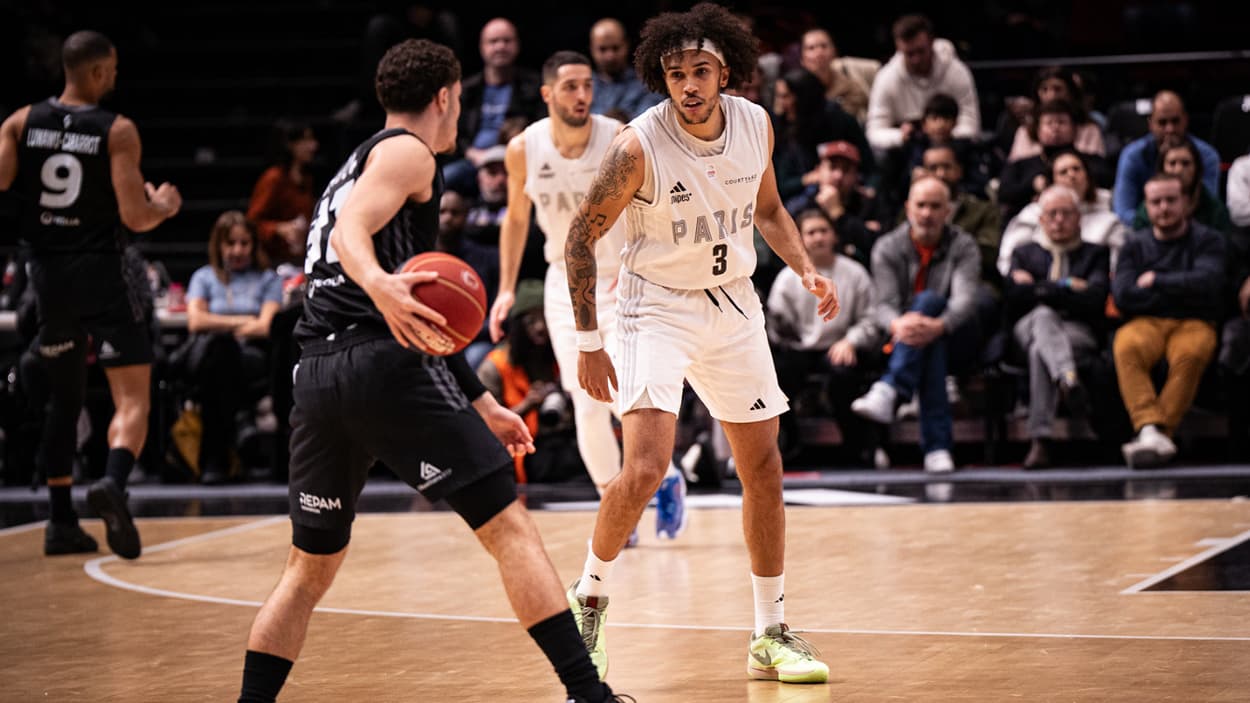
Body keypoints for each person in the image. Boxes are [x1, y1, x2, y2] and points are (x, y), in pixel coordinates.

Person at [237, 39, 627, 703]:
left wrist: (480, 402)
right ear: (444, 97)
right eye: (460, 102)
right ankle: (588, 694)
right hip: (377, 363)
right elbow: (347, 236)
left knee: (309, 569)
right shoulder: (408, 151)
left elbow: (419, 311)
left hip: (318, 374)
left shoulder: (355, 163)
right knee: (509, 526)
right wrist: (382, 287)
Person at [562, 3, 837, 684]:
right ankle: (587, 601)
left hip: (735, 305)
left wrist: (803, 266)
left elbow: (769, 209)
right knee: (646, 467)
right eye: (677, 73)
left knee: (764, 466)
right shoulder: (638, 146)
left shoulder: (755, 124)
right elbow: (579, 239)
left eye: (701, 71)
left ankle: (769, 631)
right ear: (663, 76)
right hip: (654, 308)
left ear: (726, 73)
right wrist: (590, 339)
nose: (688, 85)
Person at [487, 50, 687, 538]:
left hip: (620, 275)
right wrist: (506, 289)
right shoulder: (523, 149)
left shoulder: (617, 138)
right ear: (547, 94)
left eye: (587, 86)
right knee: (584, 398)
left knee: (623, 390)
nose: (581, 95)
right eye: (571, 86)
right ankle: (617, 509)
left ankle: (666, 475)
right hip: (563, 279)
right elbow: (515, 220)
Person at [0, 30, 182, 558]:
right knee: (132, 397)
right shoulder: (116, 130)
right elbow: (134, 216)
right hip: (103, 273)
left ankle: (60, 522)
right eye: (115, 70)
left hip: (47, 280)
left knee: (64, 397)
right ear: (99, 72)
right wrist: (165, 205)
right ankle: (114, 481)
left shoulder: (18, 121)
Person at [850, 176, 981, 474]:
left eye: (936, 206)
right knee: (927, 341)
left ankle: (891, 388)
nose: (927, 213)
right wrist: (900, 324)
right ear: (908, 208)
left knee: (931, 301)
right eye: (921, 205)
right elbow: (882, 305)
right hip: (904, 337)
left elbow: (964, 301)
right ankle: (937, 448)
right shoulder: (887, 246)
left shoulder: (964, 245)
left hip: (956, 334)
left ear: (948, 210)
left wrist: (937, 325)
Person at [1112, 174, 1224, 468]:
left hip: (1194, 322)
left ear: (1186, 202)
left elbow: (1210, 284)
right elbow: (1124, 295)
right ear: (1146, 207)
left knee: (1190, 354)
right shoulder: (1134, 245)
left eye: (1171, 200)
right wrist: (1180, 290)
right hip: (1146, 322)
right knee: (1126, 346)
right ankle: (1152, 429)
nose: (1164, 207)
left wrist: (1157, 281)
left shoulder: (1208, 240)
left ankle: (1154, 434)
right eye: (1156, 201)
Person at [1004, 186, 1109, 468]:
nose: (1059, 220)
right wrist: (1066, 287)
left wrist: (1039, 288)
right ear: (1041, 220)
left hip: (1077, 331)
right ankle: (1068, 379)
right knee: (1042, 317)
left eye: (1066, 213)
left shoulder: (1095, 254)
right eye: (1052, 214)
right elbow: (1014, 298)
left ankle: (1040, 440)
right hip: (1026, 329)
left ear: (1079, 218)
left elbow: (1094, 299)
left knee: (1042, 348)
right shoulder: (1023, 253)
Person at [767, 209, 881, 465]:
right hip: (799, 349)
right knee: (777, 374)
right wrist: (786, 337)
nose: (818, 237)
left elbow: (871, 318)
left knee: (844, 375)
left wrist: (851, 340)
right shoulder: (787, 278)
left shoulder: (855, 273)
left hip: (840, 346)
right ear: (801, 239)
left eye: (823, 230)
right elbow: (775, 324)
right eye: (811, 232)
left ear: (834, 236)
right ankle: (789, 443)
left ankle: (855, 449)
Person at [183, 211, 282, 485]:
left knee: (223, 357)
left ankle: (215, 460)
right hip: (207, 356)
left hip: (250, 357)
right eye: (231, 243)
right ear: (219, 245)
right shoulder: (204, 277)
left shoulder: (268, 279)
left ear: (253, 245)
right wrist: (242, 320)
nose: (237, 250)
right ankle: (241, 422)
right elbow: (195, 321)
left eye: (244, 243)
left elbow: (265, 325)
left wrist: (219, 324)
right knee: (220, 350)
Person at [999, 149, 1125, 276]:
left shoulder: (1108, 220)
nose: (1071, 175)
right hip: (1037, 287)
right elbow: (1008, 261)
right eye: (1063, 172)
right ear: (1052, 181)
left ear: (1087, 176)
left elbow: (1115, 267)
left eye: (1076, 169)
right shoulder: (1031, 215)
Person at [865, 14, 980, 152]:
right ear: (898, 48)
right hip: (908, 150)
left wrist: (943, 136)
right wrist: (900, 136)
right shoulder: (886, 78)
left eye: (921, 51)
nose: (916, 59)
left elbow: (970, 124)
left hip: (952, 147)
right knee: (881, 156)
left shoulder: (957, 72)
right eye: (909, 54)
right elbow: (874, 132)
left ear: (932, 43)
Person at [1112, 90, 1220, 226]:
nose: (1170, 129)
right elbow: (1123, 211)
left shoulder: (1207, 155)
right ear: (1150, 123)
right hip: (1146, 234)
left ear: (1186, 120)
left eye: (1175, 121)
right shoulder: (1132, 156)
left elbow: (1209, 208)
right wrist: (1161, 227)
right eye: (1162, 122)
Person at [246, 120, 318, 266]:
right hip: (275, 263)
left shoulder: (307, 179)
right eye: (306, 139)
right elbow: (251, 223)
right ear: (290, 144)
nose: (313, 146)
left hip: (302, 260)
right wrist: (279, 229)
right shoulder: (273, 178)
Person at [1130, 137, 1231, 233]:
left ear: (1197, 168)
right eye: (1172, 163)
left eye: (1186, 163)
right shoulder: (1147, 209)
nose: (1179, 170)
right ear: (1162, 169)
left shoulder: (1215, 210)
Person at [588, 18, 663, 120]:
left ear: (626, 45)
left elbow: (649, 123)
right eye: (603, 49)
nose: (610, 56)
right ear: (592, 49)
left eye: (615, 48)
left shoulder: (647, 84)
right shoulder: (584, 87)